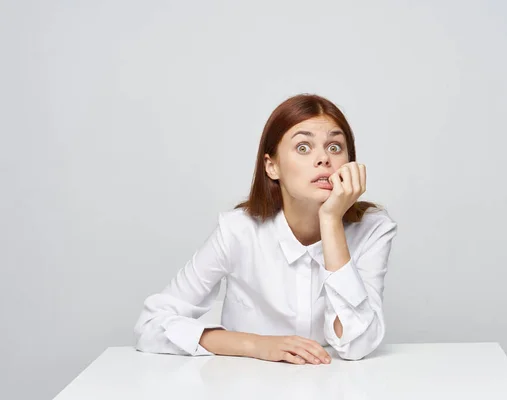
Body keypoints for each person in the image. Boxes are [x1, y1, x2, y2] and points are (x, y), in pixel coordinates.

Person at [134, 93, 398, 364]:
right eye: (304, 147)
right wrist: (255, 345)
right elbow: (151, 324)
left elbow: (357, 345)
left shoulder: (373, 229)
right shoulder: (237, 230)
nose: (323, 159)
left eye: (334, 147)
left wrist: (330, 220)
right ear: (272, 166)